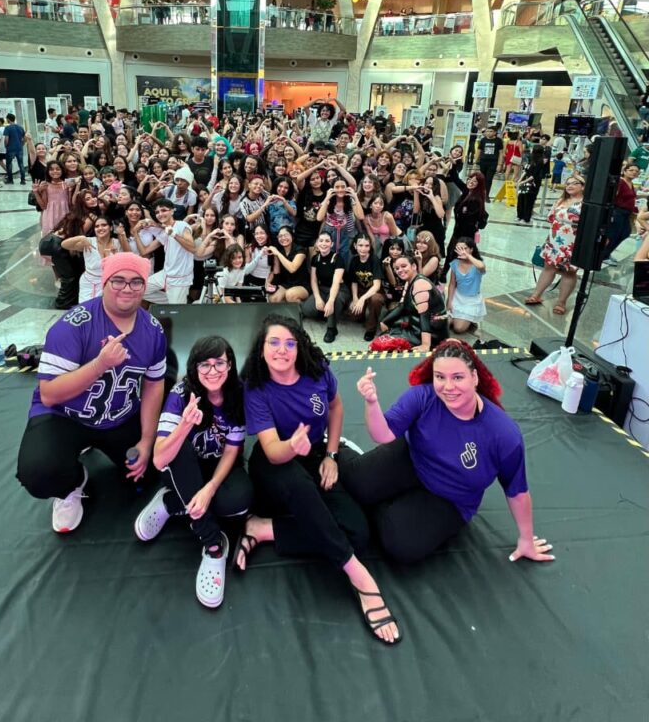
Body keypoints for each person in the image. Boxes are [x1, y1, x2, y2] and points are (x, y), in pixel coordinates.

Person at [235, 315, 400, 644]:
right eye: (274, 343)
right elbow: (272, 451)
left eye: (289, 343)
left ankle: (263, 528)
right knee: (301, 487)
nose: (282, 350)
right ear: (261, 348)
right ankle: (359, 576)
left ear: (299, 347)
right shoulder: (256, 386)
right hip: (274, 462)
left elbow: (336, 408)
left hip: (312, 454)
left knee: (357, 532)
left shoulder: (317, 369)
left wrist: (331, 455)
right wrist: (291, 446)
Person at [341, 341, 554, 570]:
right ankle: (344, 451)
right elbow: (382, 434)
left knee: (400, 546)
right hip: (414, 458)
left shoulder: (503, 433)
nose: (448, 387)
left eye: (458, 377)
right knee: (353, 482)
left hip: (451, 497)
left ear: (474, 377)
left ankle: (384, 505)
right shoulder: (423, 397)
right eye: (440, 377)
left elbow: (517, 490)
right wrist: (372, 403)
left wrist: (526, 539)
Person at [16, 253, 166, 533]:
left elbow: (154, 384)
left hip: (118, 415)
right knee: (39, 473)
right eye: (118, 280)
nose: (127, 288)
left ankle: (117, 448)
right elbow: (49, 394)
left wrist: (147, 441)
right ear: (104, 282)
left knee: (152, 468)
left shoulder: (153, 330)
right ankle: (72, 484)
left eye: (136, 282)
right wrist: (100, 365)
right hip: (66, 416)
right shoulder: (73, 325)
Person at [135, 337, 253, 609]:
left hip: (217, 468)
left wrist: (210, 488)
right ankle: (214, 545)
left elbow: (232, 451)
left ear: (230, 364)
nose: (213, 371)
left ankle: (173, 502)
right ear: (194, 368)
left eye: (219, 363)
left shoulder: (237, 393)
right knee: (180, 452)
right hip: (181, 469)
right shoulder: (180, 394)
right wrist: (185, 426)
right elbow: (159, 459)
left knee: (239, 503)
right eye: (205, 365)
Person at [525, 175, 584, 315]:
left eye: (574, 183)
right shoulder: (561, 200)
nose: (569, 186)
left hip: (573, 241)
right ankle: (536, 295)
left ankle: (561, 302)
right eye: (567, 184)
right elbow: (551, 218)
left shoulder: (586, 204)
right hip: (555, 240)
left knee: (569, 272)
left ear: (583, 186)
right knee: (548, 268)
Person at [379, 253, 448, 352]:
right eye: (397, 268)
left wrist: (425, 345)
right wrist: (385, 321)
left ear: (414, 266)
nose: (400, 270)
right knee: (383, 338)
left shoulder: (420, 284)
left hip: (433, 334)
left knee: (381, 345)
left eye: (404, 266)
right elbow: (402, 306)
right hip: (416, 326)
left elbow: (425, 316)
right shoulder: (409, 281)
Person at [132, 198, 196, 304]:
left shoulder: (182, 225)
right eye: (157, 212)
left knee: (176, 311)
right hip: (165, 274)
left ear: (172, 211)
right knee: (139, 290)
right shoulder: (164, 232)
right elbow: (144, 251)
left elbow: (192, 248)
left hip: (180, 279)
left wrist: (174, 234)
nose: (160, 214)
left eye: (163, 210)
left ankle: (178, 303)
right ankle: (177, 303)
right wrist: (135, 233)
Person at [61, 216, 129, 300]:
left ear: (111, 228)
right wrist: (81, 238)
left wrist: (122, 236)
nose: (100, 228)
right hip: (89, 284)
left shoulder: (117, 243)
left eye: (104, 225)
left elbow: (129, 256)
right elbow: (64, 245)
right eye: (97, 226)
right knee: (87, 307)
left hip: (110, 284)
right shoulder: (88, 242)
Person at [302, 230, 349, 343]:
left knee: (333, 301)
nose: (324, 243)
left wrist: (330, 301)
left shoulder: (338, 258)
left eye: (327, 241)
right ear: (317, 243)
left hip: (339, 289)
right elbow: (313, 280)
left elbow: (336, 283)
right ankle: (327, 314)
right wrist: (318, 298)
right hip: (323, 289)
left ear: (331, 244)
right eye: (321, 241)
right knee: (307, 309)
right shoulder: (315, 258)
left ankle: (331, 328)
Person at [346, 233, 386, 342]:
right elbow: (354, 282)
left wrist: (362, 299)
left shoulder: (374, 260)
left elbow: (377, 285)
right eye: (360, 245)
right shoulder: (354, 260)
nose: (363, 249)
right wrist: (355, 298)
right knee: (353, 314)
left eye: (367, 246)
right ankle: (361, 315)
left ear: (370, 246)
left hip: (374, 291)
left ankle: (371, 329)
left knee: (376, 300)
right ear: (355, 246)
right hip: (360, 290)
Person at [446, 237, 486, 334]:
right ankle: (459, 319)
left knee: (458, 329)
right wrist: (449, 301)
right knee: (445, 324)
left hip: (471, 300)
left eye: (464, 248)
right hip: (457, 297)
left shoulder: (477, 264)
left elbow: (481, 266)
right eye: (459, 249)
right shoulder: (455, 263)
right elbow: (452, 284)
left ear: (471, 249)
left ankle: (470, 320)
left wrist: (468, 256)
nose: (461, 251)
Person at [601, 164, 640, 265]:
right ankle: (603, 255)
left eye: (636, 171)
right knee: (614, 234)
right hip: (618, 211)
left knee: (625, 233)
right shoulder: (620, 182)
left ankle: (607, 253)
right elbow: (613, 196)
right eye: (631, 170)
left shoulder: (631, 184)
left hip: (626, 213)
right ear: (625, 171)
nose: (634, 172)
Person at [516, 145, 547, 224]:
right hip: (525, 182)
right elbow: (526, 170)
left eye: (532, 149)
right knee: (521, 198)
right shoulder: (531, 160)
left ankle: (526, 218)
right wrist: (520, 180)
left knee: (529, 201)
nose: (531, 150)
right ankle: (519, 216)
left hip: (533, 183)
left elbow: (534, 175)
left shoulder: (540, 162)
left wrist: (523, 182)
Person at [3, 113, 27, 184]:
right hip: (19, 148)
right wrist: (22, 144)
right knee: (21, 164)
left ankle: (10, 180)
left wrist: (6, 146)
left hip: (10, 148)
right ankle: (23, 180)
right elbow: (25, 138)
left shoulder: (7, 128)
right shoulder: (20, 127)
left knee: (9, 164)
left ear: (8, 119)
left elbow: (6, 139)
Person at [477, 127, 503, 193]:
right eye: (487, 131)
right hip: (483, 162)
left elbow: (501, 153)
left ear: (495, 132)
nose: (488, 133)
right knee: (482, 178)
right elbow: (479, 151)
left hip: (493, 162)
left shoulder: (498, 141)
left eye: (491, 131)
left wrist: (499, 164)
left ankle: (486, 194)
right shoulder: (483, 140)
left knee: (489, 179)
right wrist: (475, 162)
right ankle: (481, 193)